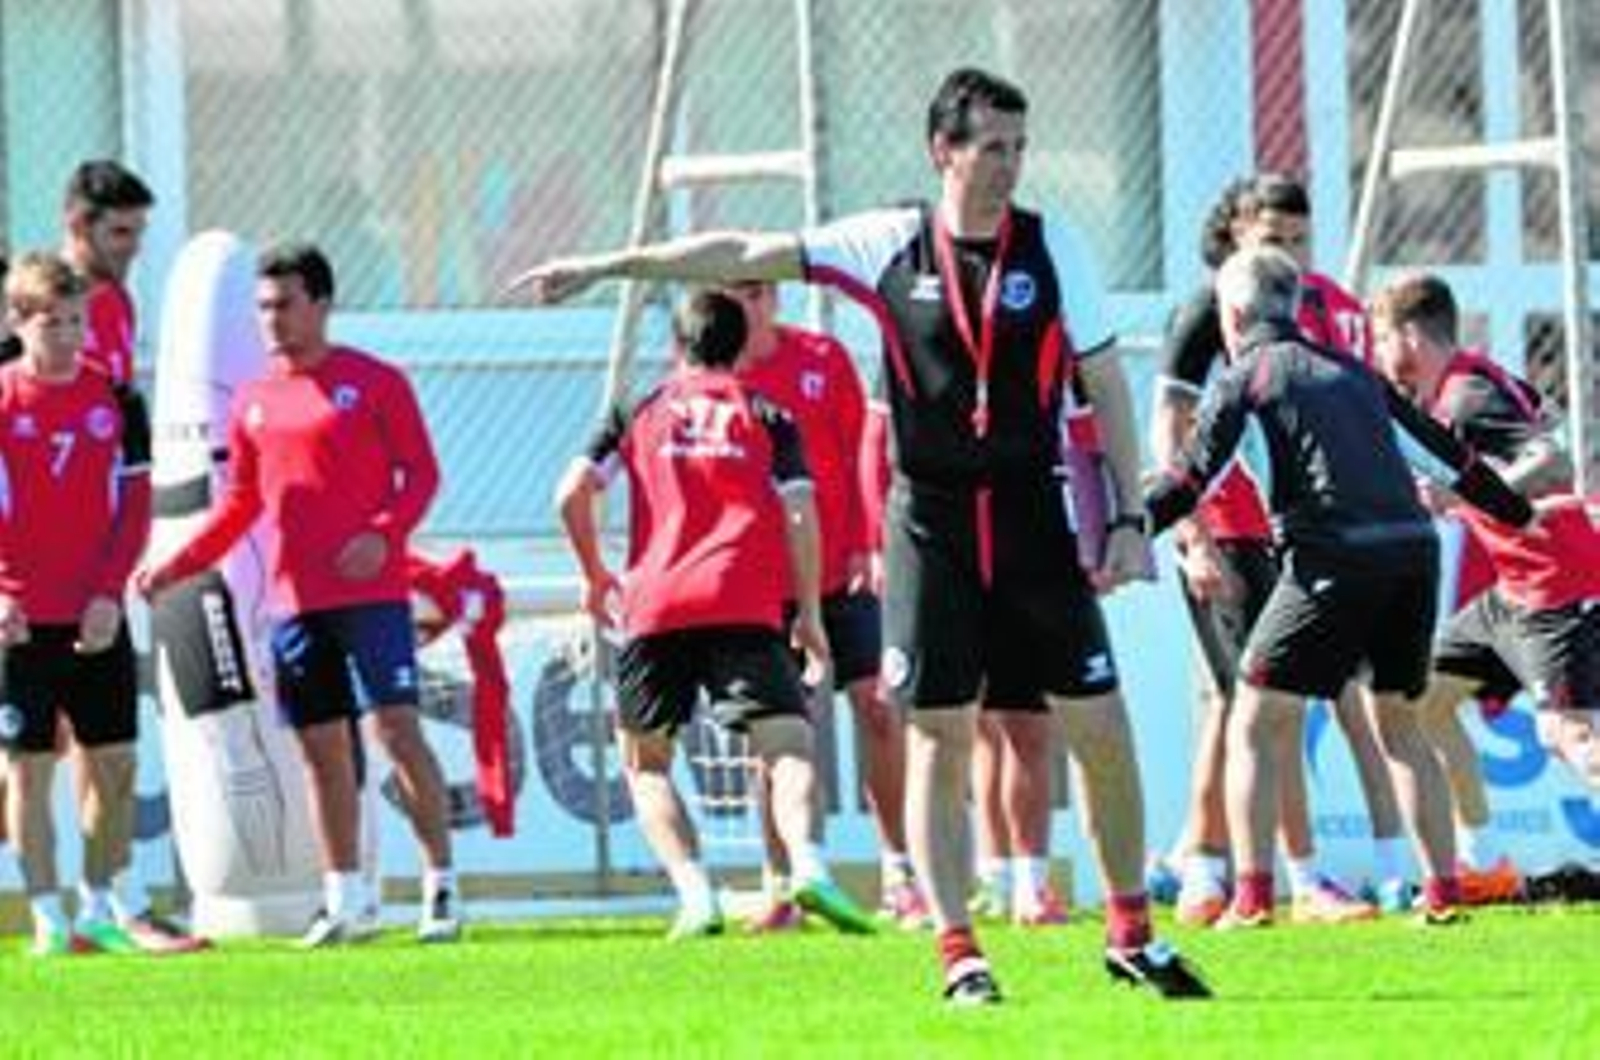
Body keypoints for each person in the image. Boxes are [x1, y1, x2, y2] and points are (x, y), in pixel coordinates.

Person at [510, 67, 1210, 1005]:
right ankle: (961, 954)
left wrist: (1126, 517)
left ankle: (1132, 934)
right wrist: (608, 267)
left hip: (1035, 518)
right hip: (930, 524)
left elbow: (1106, 384)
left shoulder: (1053, 248)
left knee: (1103, 733)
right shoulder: (885, 241)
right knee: (938, 739)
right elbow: (740, 245)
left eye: (1018, 147)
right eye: (990, 146)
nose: (1008, 166)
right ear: (943, 151)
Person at [1144, 245, 1536, 929]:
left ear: (1233, 315)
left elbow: (1188, 480)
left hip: (1331, 556)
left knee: (1255, 720)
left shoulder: (1243, 380)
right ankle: (1443, 898)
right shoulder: (1357, 373)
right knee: (1400, 726)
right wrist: (1518, 513)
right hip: (1414, 557)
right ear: (1293, 309)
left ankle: (1252, 900)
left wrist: (1118, 530)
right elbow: (1450, 458)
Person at [136, 243, 461, 947]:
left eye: (284, 305)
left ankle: (442, 890)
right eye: (261, 308)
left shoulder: (375, 382)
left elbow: (422, 475)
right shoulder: (254, 399)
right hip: (293, 603)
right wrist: (175, 565)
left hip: (372, 597)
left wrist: (386, 531)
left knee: (397, 732)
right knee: (321, 753)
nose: (271, 320)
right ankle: (346, 901)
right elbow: (242, 502)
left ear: (321, 303)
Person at [554, 288, 875, 940]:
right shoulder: (765, 412)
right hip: (743, 599)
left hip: (655, 603)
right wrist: (809, 611)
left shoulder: (637, 410)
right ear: (740, 348)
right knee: (788, 748)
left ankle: (695, 895)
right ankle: (808, 866)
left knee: (647, 765)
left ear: (676, 346)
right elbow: (799, 510)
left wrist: (594, 576)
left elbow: (570, 494)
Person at [1148, 174, 1396, 924]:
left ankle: (1201, 862)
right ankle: (1285, 875)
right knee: (1256, 701)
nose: (1284, 253)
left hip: (1304, 530)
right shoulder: (1209, 310)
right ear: (1236, 234)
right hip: (1226, 526)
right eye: (1269, 238)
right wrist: (1190, 536)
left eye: (1296, 240)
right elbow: (1171, 419)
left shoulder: (1318, 308)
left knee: (1257, 704)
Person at [719, 280, 927, 933]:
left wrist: (868, 543)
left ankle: (901, 873)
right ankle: (782, 887)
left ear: (774, 296)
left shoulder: (821, 357)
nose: (748, 306)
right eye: (733, 295)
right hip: (763, 586)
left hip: (840, 574)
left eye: (755, 292)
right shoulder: (709, 377)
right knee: (778, 740)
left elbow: (861, 456)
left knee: (880, 709)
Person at [1371, 273, 1600, 821]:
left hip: (1557, 591)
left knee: (1565, 734)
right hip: (1513, 595)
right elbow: (1549, 420)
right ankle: (1483, 858)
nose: (1376, 354)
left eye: (1379, 339)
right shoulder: (1472, 379)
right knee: (1425, 700)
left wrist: (1464, 493)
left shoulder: (1466, 396)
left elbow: (1552, 459)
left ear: (1408, 336)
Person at [0, 253, 151, 956]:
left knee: (116, 762)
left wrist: (107, 594)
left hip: (96, 611)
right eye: (50, 323)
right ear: (17, 323)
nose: (65, 336)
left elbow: (136, 507)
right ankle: (46, 915)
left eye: (75, 321)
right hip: (22, 615)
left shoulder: (118, 403)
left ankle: (97, 902)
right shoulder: (1, 401)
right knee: (28, 767)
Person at [60, 160, 154, 386]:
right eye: (120, 232)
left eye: (139, 233)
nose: (134, 247)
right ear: (77, 227)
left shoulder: (118, 299)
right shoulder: (32, 307)